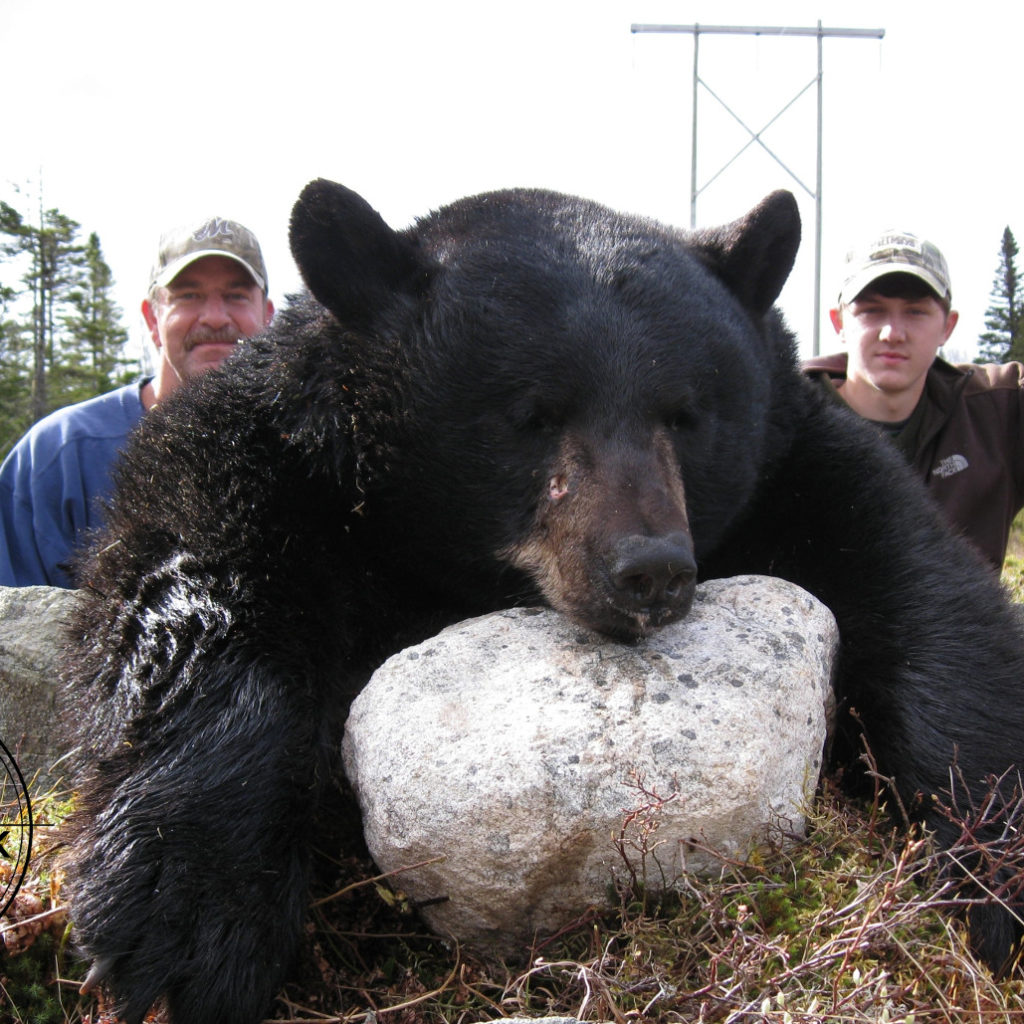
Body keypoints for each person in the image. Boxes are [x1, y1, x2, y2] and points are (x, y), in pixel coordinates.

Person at [0, 216, 274, 588]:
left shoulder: (300, 456)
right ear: (152, 317)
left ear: (267, 316)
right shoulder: (58, 458)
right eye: (188, 295)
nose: (214, 317)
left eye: (236, 295)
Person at [803, 229, 1024, 571]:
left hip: (961, 623)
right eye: (872, 311)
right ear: (839, 322)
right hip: (801, 622)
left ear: (947, 326)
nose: (893, 333)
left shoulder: (999, 411)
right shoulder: (781, 415)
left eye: (916, 312)